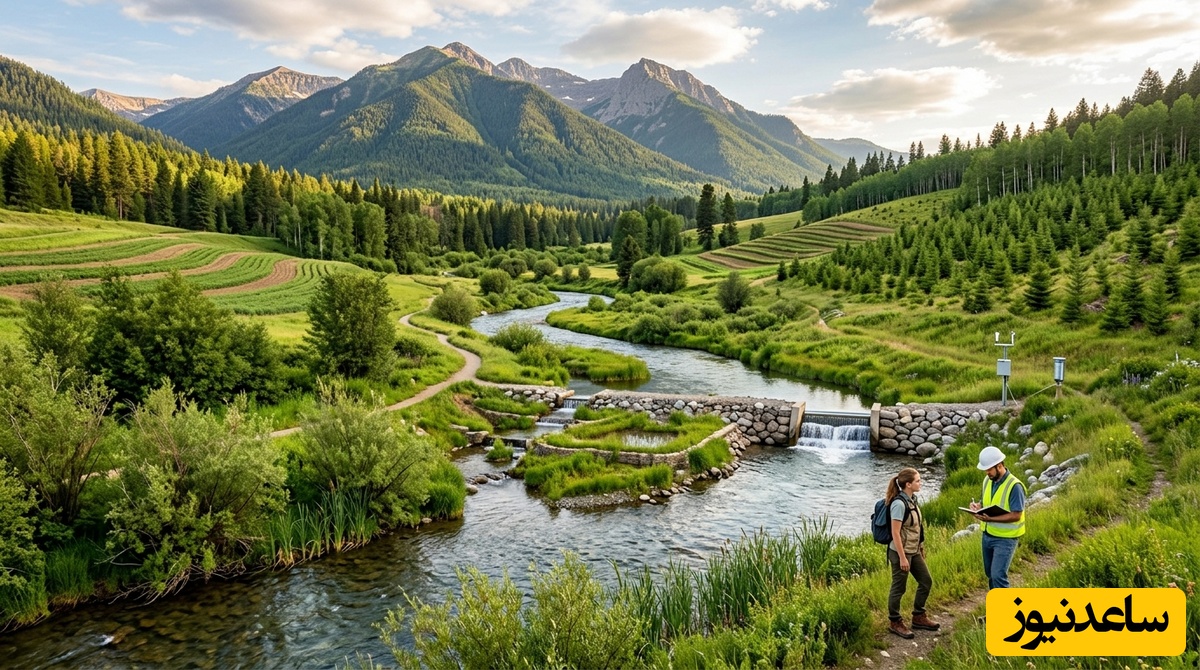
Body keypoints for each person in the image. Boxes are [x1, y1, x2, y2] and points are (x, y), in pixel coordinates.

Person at [885, 467, 939, 639]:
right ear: (908, 484)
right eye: (917, 480)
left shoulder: (912, 500)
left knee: (926, 581)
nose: (920, 483)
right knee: (899, 588)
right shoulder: (899, 504)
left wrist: (920, 547)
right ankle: (895, 621)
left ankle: (918, 616)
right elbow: (895, 533)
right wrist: (902, 557)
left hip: (913, 551)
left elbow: (916, 527)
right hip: (900, 552)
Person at [969, 446, 1026, 589]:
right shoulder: (987, 480)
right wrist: (978, 506)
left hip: (1005, 539)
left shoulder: (1015, 486)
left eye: (989, 469)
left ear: (999, 466)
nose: (987, 472)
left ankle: (1006, 610)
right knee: (990, 574)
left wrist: (991, 519)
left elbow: (1016, 515)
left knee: (998, 576)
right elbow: (987, 501)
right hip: (987, 535)